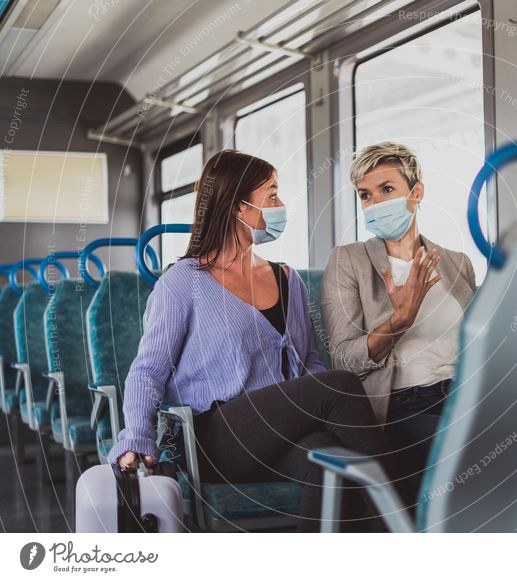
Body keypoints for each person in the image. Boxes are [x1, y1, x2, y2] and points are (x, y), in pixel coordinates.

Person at [108, 149, 404, 532]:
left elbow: (310, 365)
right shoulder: (183, 283)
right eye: (272, 196)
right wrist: (137, 435)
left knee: (334, 465)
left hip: (282, 430)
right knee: (341, 385)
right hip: (217, 434)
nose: (281, 206)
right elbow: (148, 370)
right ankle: (414, 520)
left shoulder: (286, 278)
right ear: (238, 207)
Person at [320, 141, 476, 500]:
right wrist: (399, 321)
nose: (375, 203)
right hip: (404, 405)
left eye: (387, 189)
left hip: (464, 398)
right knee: (463, 464)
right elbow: (343, 359)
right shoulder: (348, 261)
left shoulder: (457, 263)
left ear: (416, 192)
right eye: (365, 195)